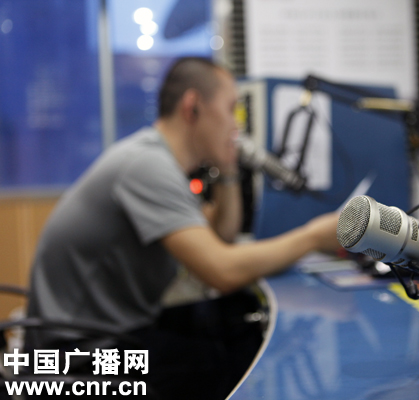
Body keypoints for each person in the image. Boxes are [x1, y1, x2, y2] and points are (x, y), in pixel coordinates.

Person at [25, 57, 340, 399]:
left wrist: (227, 169)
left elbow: (219, 237)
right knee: (218, 357)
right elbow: (221, 270)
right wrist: (313, 237)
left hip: (105, 339)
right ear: (193, 107)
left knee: (230, 320)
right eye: (230, 109)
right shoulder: (146, 165)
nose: (236, 125)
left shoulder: (159, 161)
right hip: (75, 360)